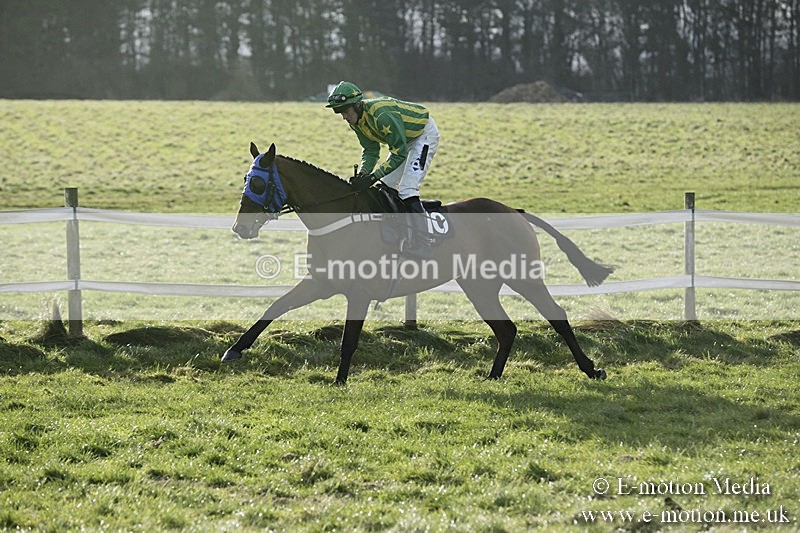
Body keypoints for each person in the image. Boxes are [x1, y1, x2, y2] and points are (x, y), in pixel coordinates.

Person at [326, 80, 439, 256]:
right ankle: (398, 234)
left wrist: (373, 177)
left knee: (408, 189)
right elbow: (370, 150)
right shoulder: (356, 122)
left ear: (357, 105)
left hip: (422, 135)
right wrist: (363, 174)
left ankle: (424, 242)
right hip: (403, 140)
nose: (344, 117)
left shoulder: (382, 115)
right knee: (385, 189)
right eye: (338, 112)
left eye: (345, 111)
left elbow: (399, 153)